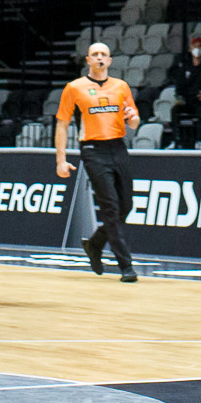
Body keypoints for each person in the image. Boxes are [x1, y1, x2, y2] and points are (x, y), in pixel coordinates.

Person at [56, 43, 141, 282]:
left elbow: (133, 121)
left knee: (126, 206)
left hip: (118, 147)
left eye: (104, 54)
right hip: (93, 149)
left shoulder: (121, 86)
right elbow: (62, 124)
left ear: (110, 61)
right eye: (95, 54)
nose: (100, 58)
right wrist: (61, 159)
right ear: (88, 60)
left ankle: (94, 244)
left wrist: (134, 118)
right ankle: (126, 266)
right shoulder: (75, 87)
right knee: (111, 208)